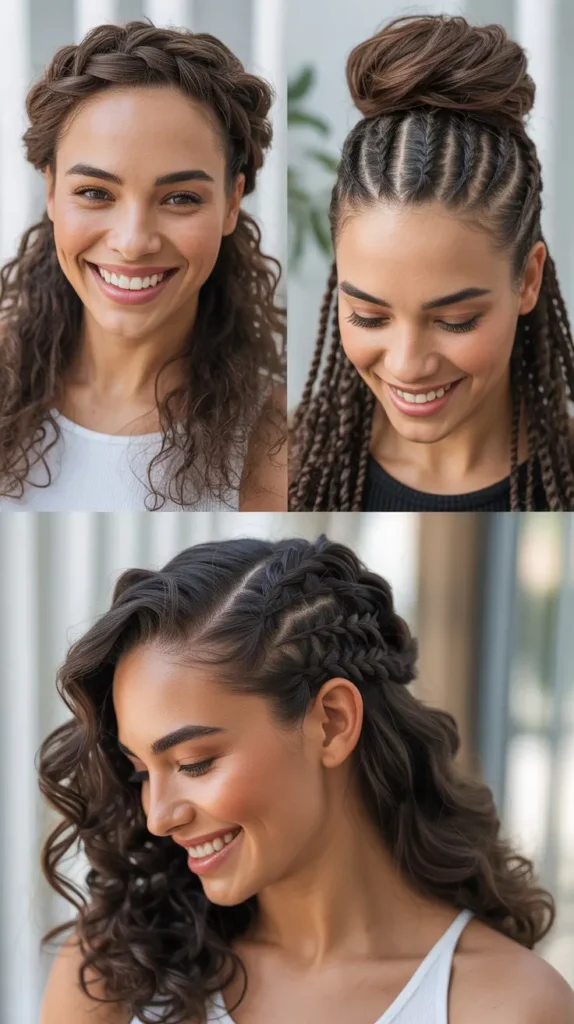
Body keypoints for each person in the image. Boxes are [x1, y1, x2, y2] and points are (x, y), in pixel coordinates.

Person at [38, 535, 573, 1023]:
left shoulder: (508, 1006)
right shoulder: (113, 976)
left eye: (194, 763)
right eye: (140, 773)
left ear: (332, 722)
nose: (158, 816)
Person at [290, 15, 574, 512]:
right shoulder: (285, 467)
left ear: (527, 279)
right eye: (369, 316)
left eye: (455, 321)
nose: (406, 364)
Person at [0, 21, 286, 511]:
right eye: (95, 193)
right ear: (51, 191)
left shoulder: (277, 440)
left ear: (232, 202)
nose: (133, 243)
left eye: (179, 198)